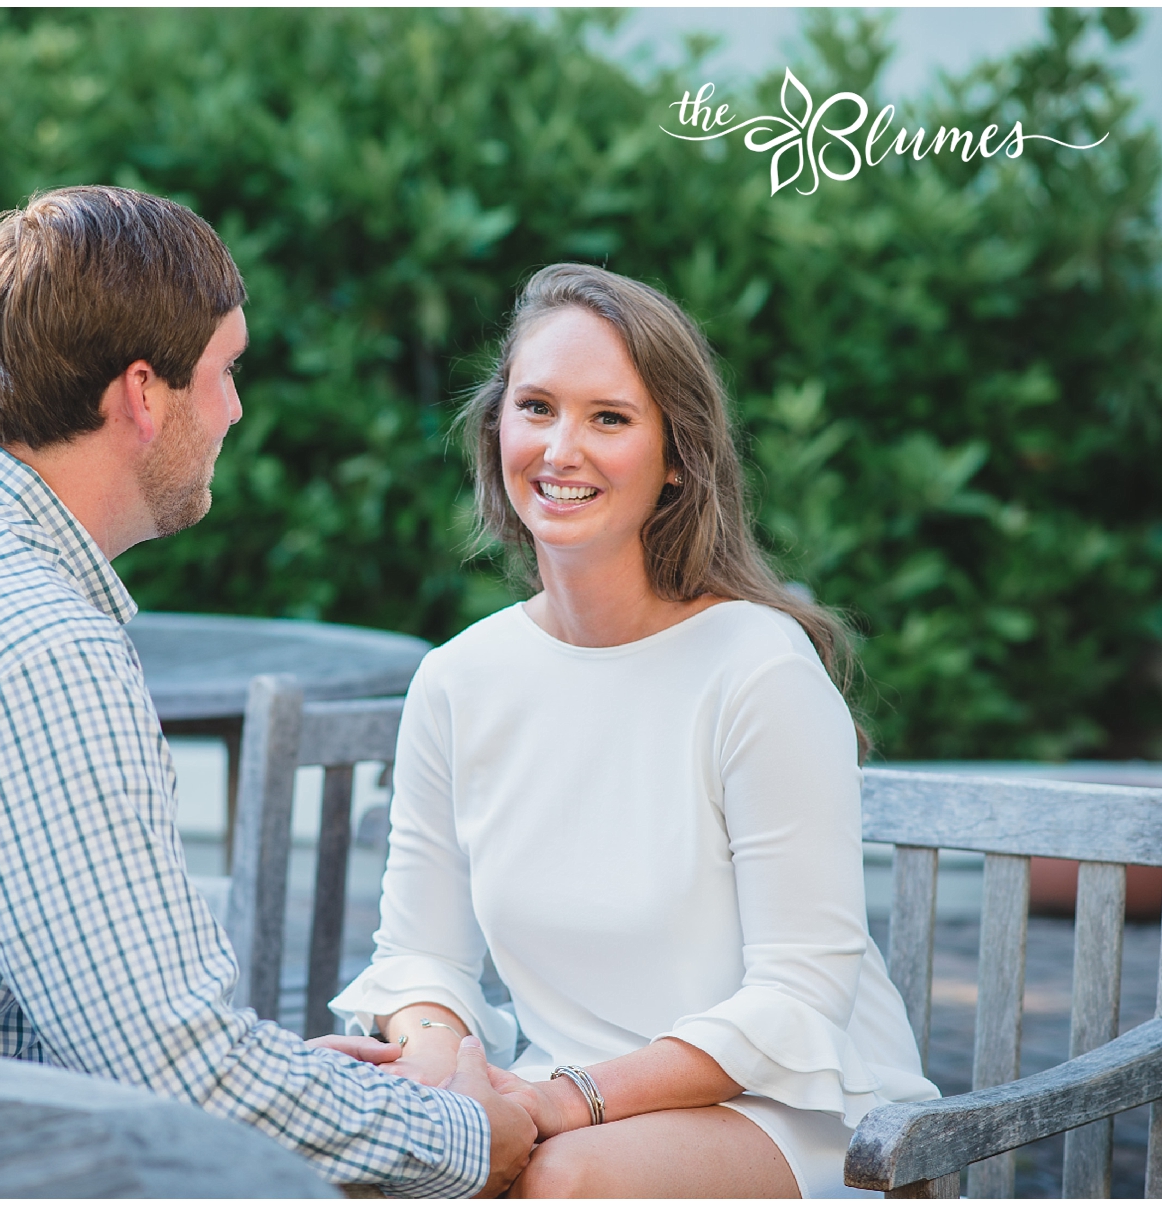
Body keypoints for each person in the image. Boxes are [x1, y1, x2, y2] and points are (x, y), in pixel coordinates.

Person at [0, 185, 533, 1196]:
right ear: (141, 394)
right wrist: (461, 1137)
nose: (236, 411)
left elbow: (83, 1029)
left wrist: (298, 1085)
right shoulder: (28, 640)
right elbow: (178, 1075)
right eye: (224, 373)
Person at [327, 264, 939, 1197]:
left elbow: (796, 1002)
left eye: (609, 418)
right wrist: (434, 1068)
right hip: (561, 1106)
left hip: (796, 1114)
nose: (561, 449)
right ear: (497, 427)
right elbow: (419, 956)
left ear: (678, 454)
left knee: (557, 1182)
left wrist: (554, 1101)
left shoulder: (758, 669)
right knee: (339, 1141)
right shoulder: (457, 679)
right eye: (536, 407)